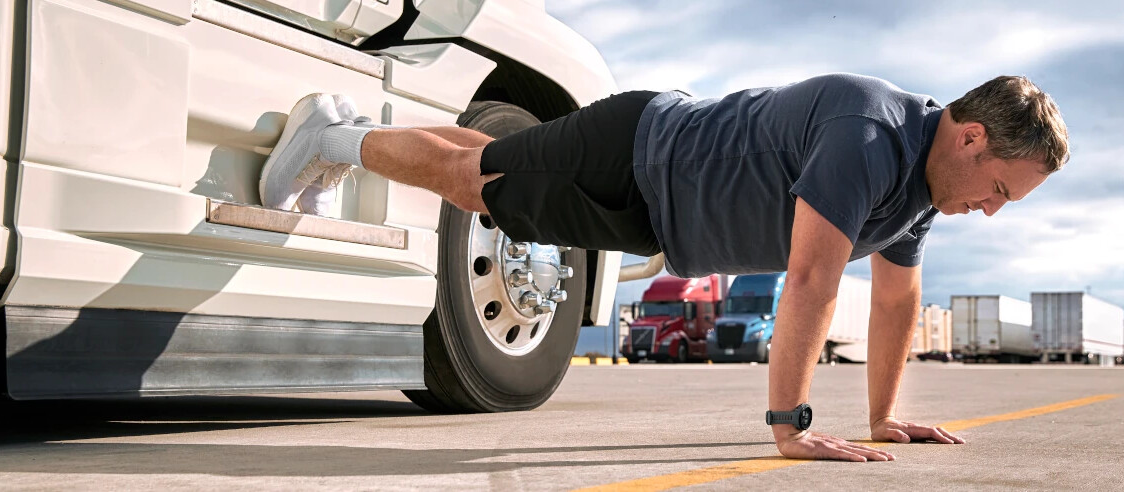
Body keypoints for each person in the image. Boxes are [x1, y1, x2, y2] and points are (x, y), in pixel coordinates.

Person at [259, 73, 1069, 462]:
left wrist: (886, 415)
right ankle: (330, 138)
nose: (991, 210)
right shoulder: (870, 136)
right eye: (998, 189)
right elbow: (814, 280)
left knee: (491, 168)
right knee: (476, 187)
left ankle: (353, 129)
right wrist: (789, 428)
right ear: (968, 138)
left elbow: (898, 298)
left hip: (657, 204)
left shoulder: (922, 195)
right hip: (640, 151)